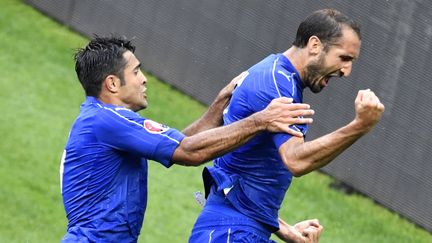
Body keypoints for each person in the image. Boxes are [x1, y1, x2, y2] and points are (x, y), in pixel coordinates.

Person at [59, 36, 316, 242]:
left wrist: (218, 106)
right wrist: (261, 120)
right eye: (136, 72)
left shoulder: (104, 120)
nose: (144, 79)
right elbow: (189, 152)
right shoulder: (106, 120)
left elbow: (181, 142)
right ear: (113, 84)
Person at [189, 8, 385, 243]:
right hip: (231, 233)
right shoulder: (276, 84)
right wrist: (359, 126)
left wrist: (280, 226)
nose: (346, 71)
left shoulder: (279, 77)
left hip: (240, 228)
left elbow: (240, 176)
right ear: (315, 45)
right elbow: (296, 160)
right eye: (344, 58)